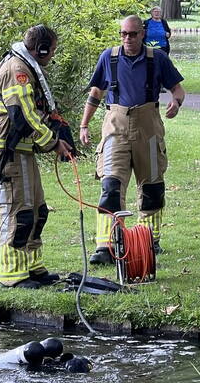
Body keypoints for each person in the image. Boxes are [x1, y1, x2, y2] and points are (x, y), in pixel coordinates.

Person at [79, 15, 186, 264]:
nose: (128, 39)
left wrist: (176, 103)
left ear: (142, 34)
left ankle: (148, 240)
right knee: (110, 186)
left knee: (152, 188)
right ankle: (105, 246)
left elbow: (178, 90)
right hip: (115, 127)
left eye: (133, 34)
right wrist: (84, 124)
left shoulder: (157, 58)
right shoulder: (109, 57)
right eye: (124, 34)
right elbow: (96, 93)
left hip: (148, 127)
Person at [0, 24, 74, 289]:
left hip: (22, 148)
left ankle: (32, 267)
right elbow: (24, 114)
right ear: (41, 49)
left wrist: (60, 129)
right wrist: (53, 143)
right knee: (18, 211)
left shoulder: (27, 67)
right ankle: (12, 274)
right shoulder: (17, 70)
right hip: (6, 149)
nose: (52, 56)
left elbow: (38, 111)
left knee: (37, 210)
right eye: (52, 50)